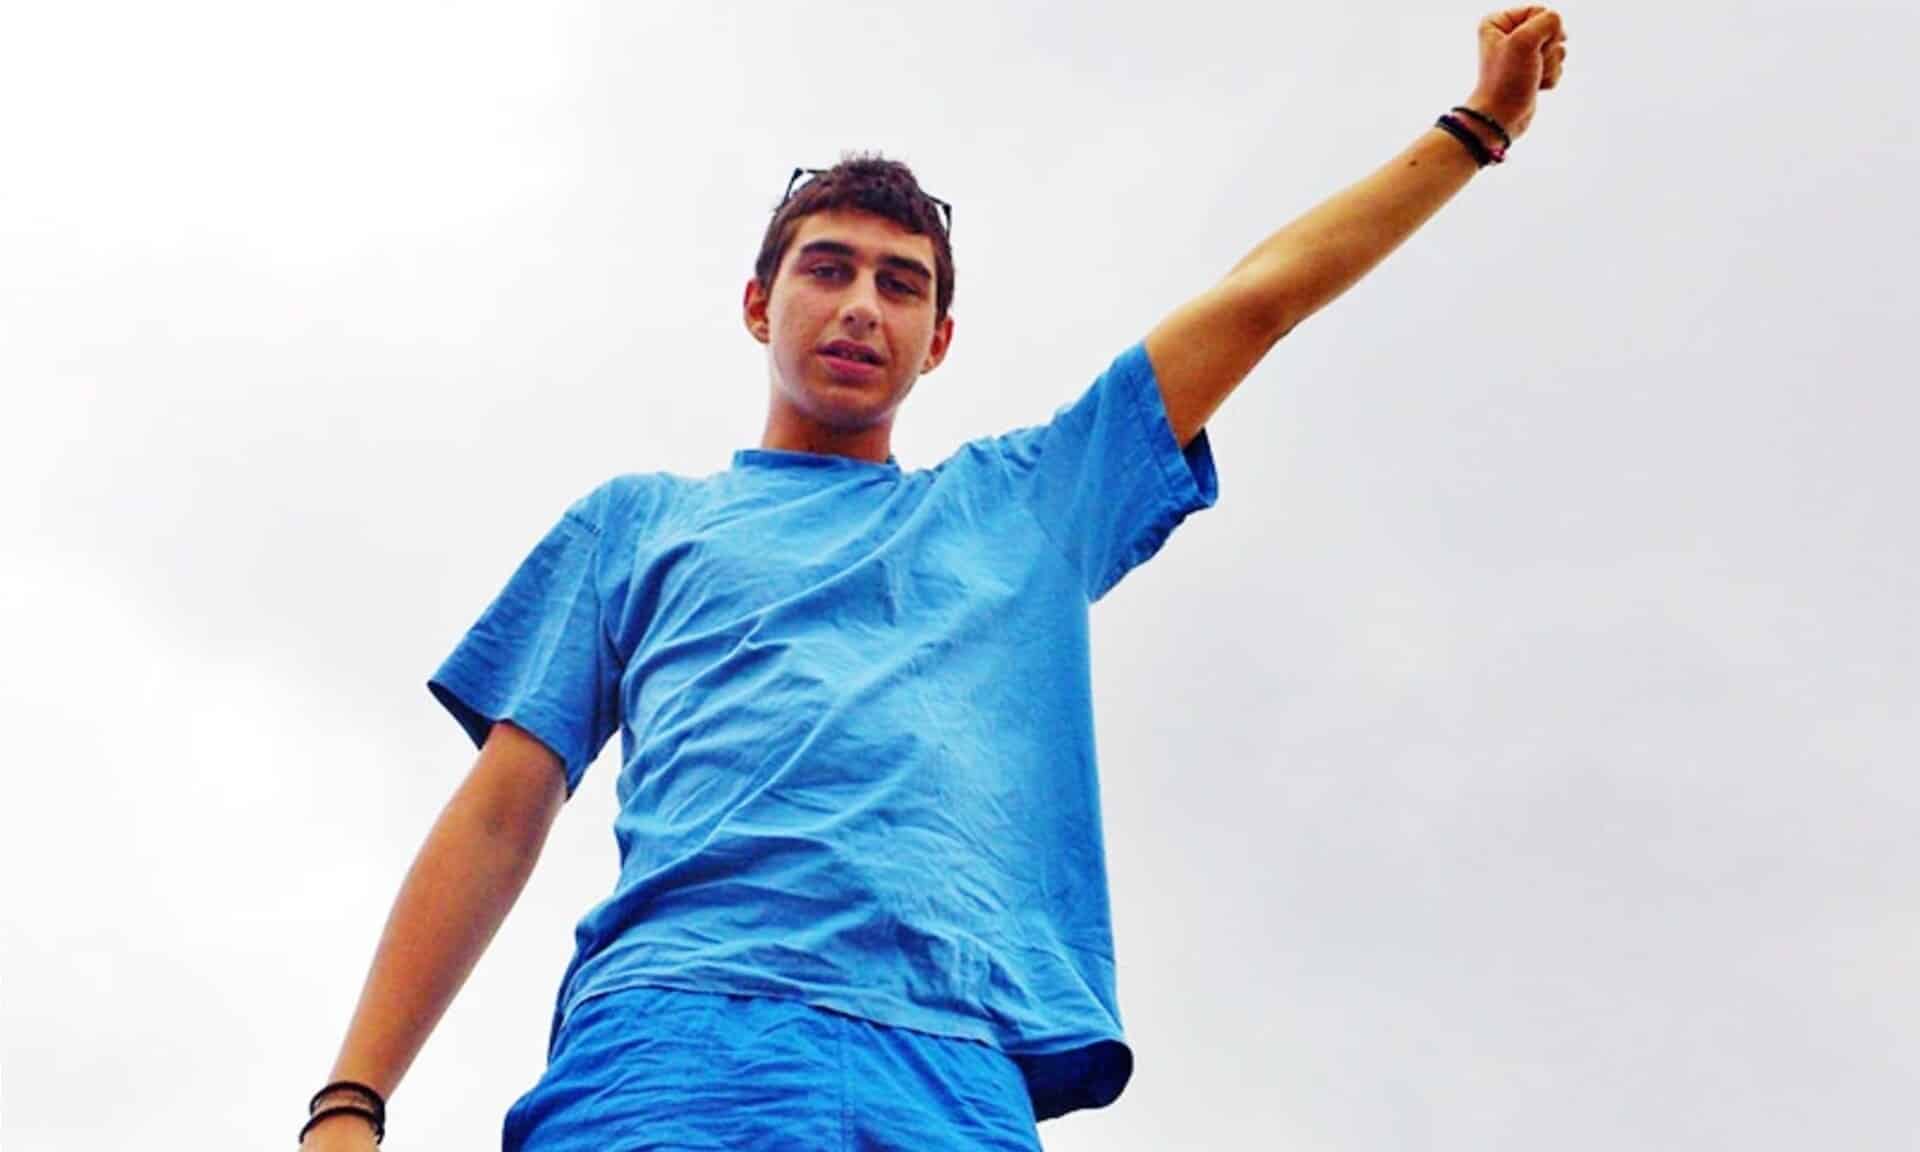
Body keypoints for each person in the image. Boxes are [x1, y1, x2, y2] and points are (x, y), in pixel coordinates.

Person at [299, 9, 1569, 1149]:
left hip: (955, 1071)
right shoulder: (638, 524)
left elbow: (1257, 304)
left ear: (938, 339)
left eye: (899, 285)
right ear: (758, 304)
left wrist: (1479, 127)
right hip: (676, 1042)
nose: (862, 305)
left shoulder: (1025, 506)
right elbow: (501, 814)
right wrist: (351, 1101)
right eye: (829, 268)